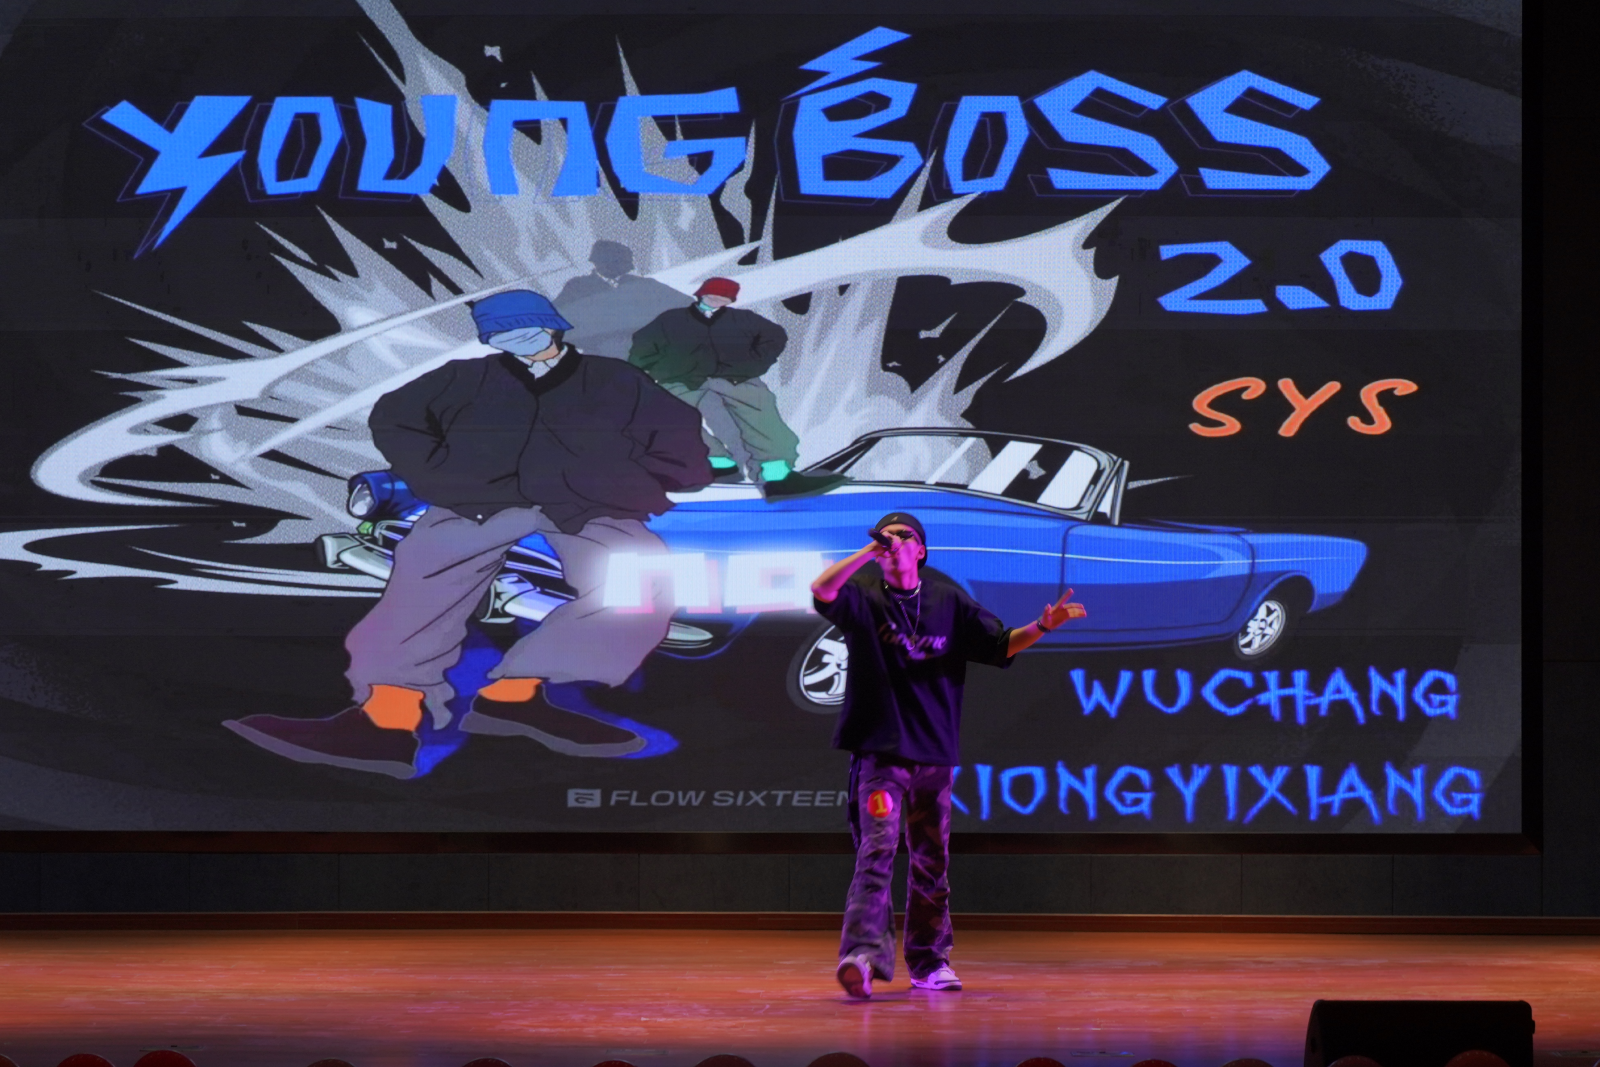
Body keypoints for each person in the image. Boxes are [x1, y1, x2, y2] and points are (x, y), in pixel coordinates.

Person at [224, 289, 714, 778]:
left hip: (585, 503)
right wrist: (440, 477)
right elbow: (395, 418)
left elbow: (677, 434)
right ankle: (387, 718)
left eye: (525, 327)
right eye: (500, 333)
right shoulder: (464, 377)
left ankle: (513, 697)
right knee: (426, 577)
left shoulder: (613, 379)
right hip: (480, 500)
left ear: (553, 325)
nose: (515, 338)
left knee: (641, 584)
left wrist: (639, 481)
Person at [809, 511, 1087, 998]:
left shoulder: (948, 601)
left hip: (934, 758)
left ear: (921, 550)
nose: (893, 541)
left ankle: (929, 961)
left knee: (931, 861)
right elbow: (822, 589)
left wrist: (1044, 625)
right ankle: (862, 957)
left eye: (904, 536)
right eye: (885, 536)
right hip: (881, 756)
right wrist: (869, 551)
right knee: (876, 853)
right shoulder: (864, 597)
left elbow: (1001, 646)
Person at [629, 276, 842, 498]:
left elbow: (775, 336)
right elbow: (643, 345)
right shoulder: (672, 319)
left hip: (736, 378)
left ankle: (777, 478)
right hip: (683, 379)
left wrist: (754, 364)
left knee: (766, 423)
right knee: (670, 416)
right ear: (701, 295)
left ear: (730, 301)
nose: (716, 301)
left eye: (723, 298)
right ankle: (716, 463)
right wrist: (656, 370)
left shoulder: (743, 319)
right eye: (712, 296)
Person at [554, 240, 686, 359]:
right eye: (621, 262)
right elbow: (555, 319)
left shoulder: (642, 284)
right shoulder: (577, 287)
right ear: (600, 263)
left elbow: (684, 304)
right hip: (603, 357)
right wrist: (594, 342)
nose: (630, 267)